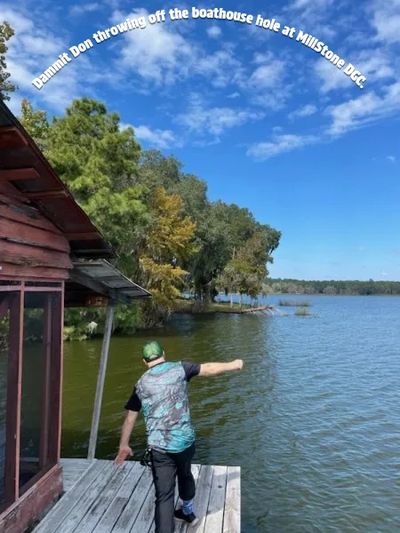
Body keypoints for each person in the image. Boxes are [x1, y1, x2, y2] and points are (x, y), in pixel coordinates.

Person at [115, 340, 244, 533]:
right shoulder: (180, 368)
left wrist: (124, 445)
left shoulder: (140, 385)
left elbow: (130, 418)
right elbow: (208, 368)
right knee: (185, 474)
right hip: (185, 442)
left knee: (164, 496)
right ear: (164, 354)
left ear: (144, 361)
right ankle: (188, 512)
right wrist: (233, 365)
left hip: (160, 449)